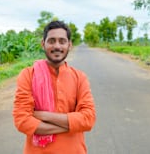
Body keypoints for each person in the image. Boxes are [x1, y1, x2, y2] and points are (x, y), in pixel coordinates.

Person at [13, 20, 96, 154]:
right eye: (51, 41)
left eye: (62, 41)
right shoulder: (28, 75)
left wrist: (43, 115)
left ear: (69, 45)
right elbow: (22, 121)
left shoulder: (80, 77)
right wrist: (72, 125)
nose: (57, 46)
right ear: (43, 44)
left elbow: (88, 119)